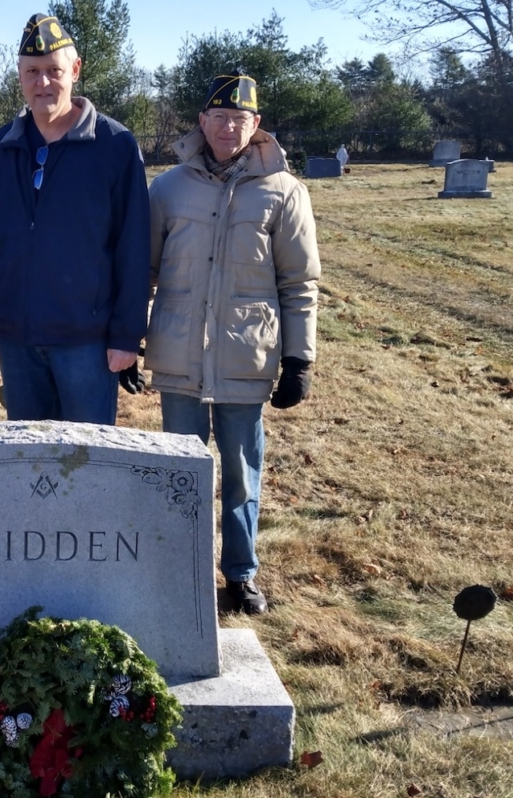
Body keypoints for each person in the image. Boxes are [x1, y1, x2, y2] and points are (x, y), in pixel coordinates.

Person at [142, 70, 320, 615]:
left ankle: (240, 573)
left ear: (256, 124)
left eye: (238, 118)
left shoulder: (283, 191)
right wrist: (129, 338)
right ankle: (181, 566)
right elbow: (141, 273)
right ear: (201, 121)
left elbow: (299, 281)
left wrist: (299, 359)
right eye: (218, 116)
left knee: (241, 471)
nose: (227, 126)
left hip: (246, 355)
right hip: (178, 353)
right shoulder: (168, 188)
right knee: (182, 470)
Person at [0, 13, 149, 424]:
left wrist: (126, 334)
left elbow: (133, 246)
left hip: (87, 339)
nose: (43, 83)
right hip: (17, 339)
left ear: (76, 70)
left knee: (86, 463)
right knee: (30, 464)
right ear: (19, 75)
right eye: (32, 72)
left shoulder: (114, 146)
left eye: (53, 71)